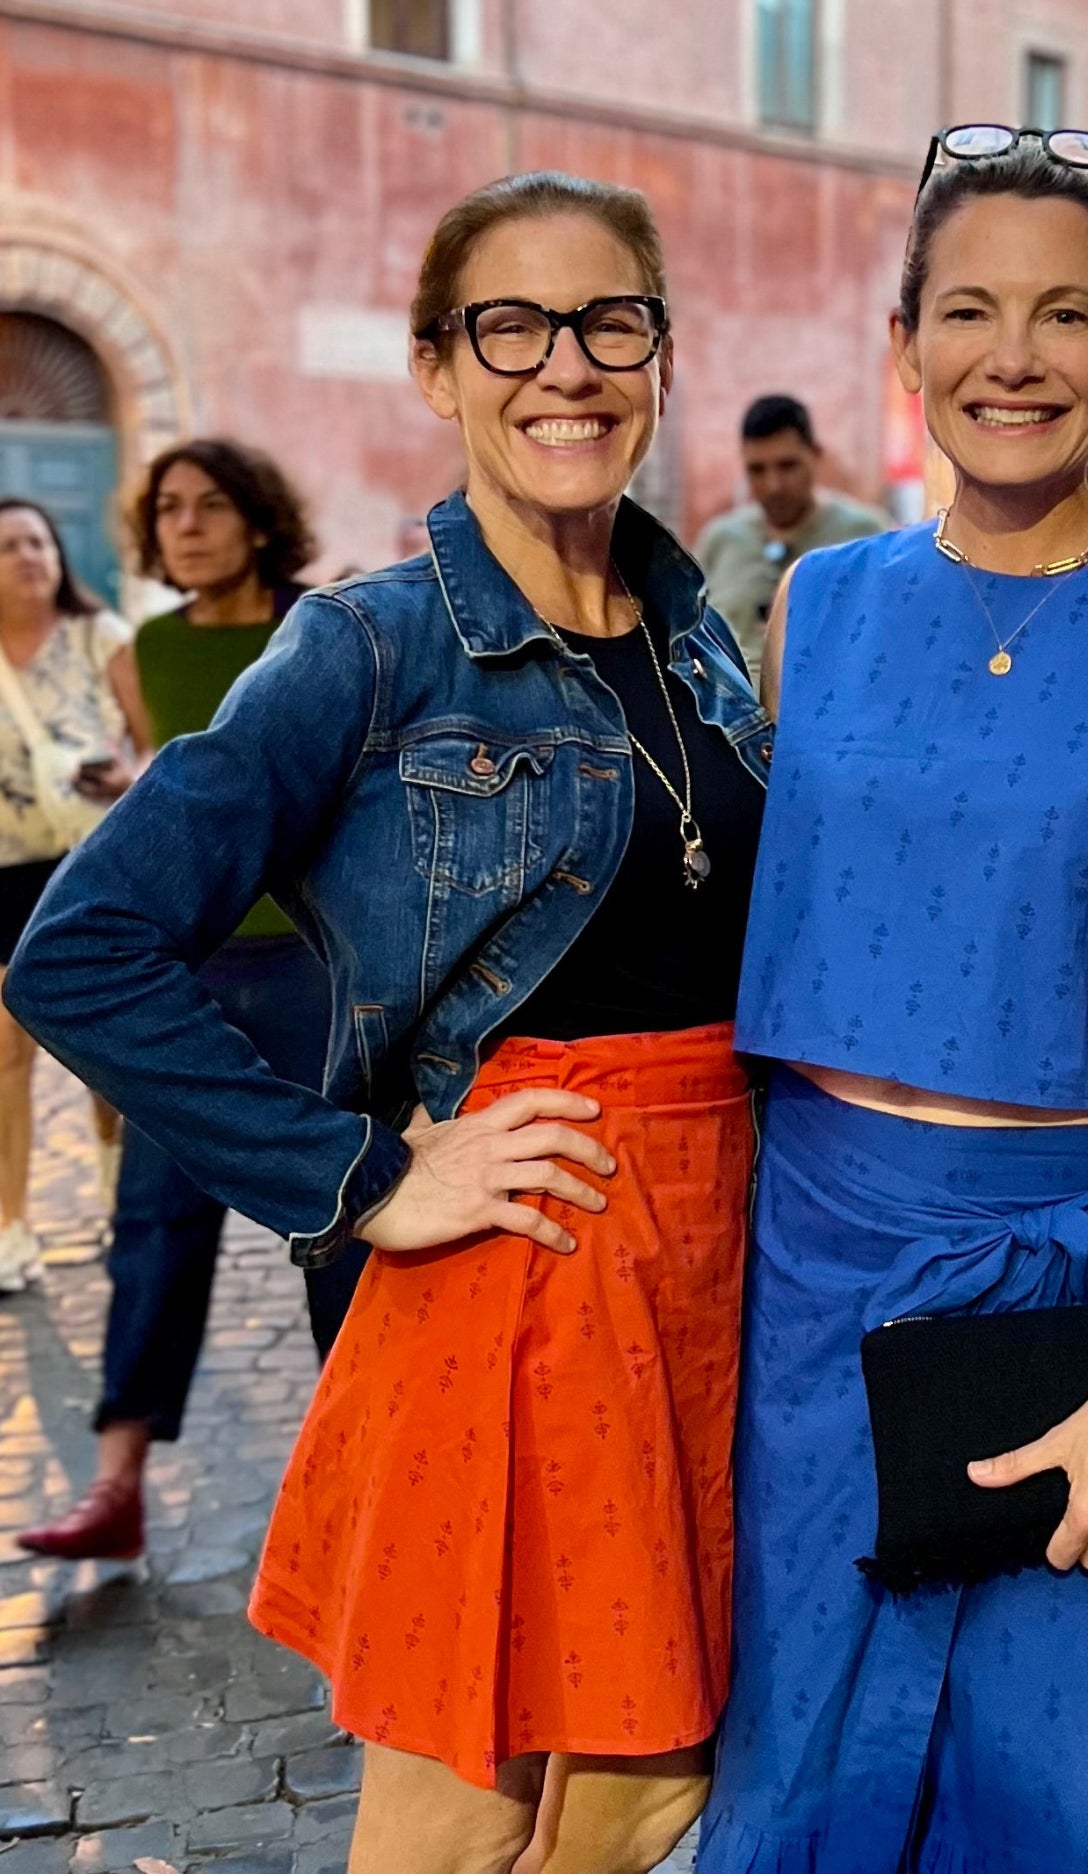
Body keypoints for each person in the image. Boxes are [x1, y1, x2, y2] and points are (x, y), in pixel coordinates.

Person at [5, 170, 770, 1873]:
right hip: (524, 1272)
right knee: (457, 1804)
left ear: (657, 354)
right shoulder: (369, 639)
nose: (564, 364)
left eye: (608, 321)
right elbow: (82, 947)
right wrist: (354, 1171)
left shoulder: (694, 628)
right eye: (511, 325)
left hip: (712, 1266)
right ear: (439, 367)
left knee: (649, 1785)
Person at [699, 132, 1088, 1873]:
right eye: (967, 310)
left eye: (1065, 314)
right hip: (814, 1280)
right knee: (794, 1762)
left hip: (1073, 1281)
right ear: (906, 343)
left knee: (1064, 1783)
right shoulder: (822, 600)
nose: (1013, 356)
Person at [16, 439, 373, 1564]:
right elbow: (166, 775)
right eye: (167, 508)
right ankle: (116, 1482)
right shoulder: (150, 645)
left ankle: (364, 1488)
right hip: (193, 970)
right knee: (153, 1225)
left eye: (211, 504)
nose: (187, 526)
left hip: (318, 969)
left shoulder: (329, 630)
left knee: (340, 1228)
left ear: (260, 519)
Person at [0, 499, 146, 1290]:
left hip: (94, 865)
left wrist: (131, 776)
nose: (28, 557)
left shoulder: (103, 638)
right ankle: (9, 1228)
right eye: (9, 547)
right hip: (4, 872)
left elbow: (158, 743)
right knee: (3, 1057)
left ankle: (114, 1180)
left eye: (38, 541)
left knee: (99, 1053)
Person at [693, 393, 887, 685]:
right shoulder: (720, 540)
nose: (773, 486)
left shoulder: (865, 535)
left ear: (815, 455)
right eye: (757, 470)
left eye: (787, 466)